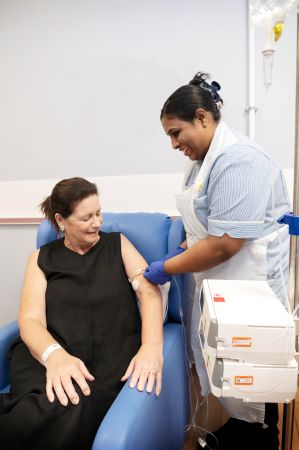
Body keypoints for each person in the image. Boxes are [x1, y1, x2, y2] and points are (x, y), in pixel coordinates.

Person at [144, 72, 291, 450]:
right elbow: (204, 229)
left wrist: (165, 268)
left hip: (249, 291)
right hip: (223, 291)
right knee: (228, 378)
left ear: (203, 118)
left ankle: (259, 437)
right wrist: (183, 251)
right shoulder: (201, 162)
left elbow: (225, 244)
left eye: (176, 133)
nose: (174, 144)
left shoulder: (240, 161)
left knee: (252, 383)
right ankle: (242, 431)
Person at [0, 177, 163, 450]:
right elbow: (30, 320)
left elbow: (148, 291)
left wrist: (151, 346)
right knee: (61, 401)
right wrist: (56, 356)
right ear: (61, 221)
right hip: (48, 353)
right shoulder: (41, 259)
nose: (97, 223)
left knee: (73, 402)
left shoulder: (118, 245)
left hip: (109, 355)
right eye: (86, 217)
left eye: (99, 213)